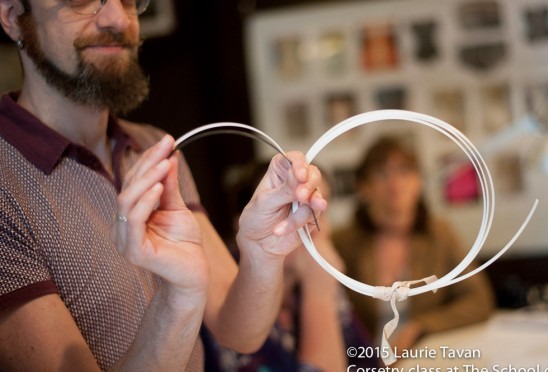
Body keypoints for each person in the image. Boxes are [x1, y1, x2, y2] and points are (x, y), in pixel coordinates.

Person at [0, 0, 327, 370]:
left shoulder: (153, 148)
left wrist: (262, 253)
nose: (117, 18)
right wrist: (179, 298)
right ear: (13, 17)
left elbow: (240, 331)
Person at [202, 162, 374, 371]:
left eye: (319, 210)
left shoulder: (318, 280)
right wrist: (318, 295)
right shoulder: (221, 292)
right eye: (291, 209)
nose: (311, 227)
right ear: (245, 222)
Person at [332, 136, 495, 353]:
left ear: (418, 182)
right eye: (382, 173)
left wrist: (420, 326)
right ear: (363, 187)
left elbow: (479, 300)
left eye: (404, 171)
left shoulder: (439, 234)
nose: (395, 183)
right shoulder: (343, 242)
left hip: (424, 358)